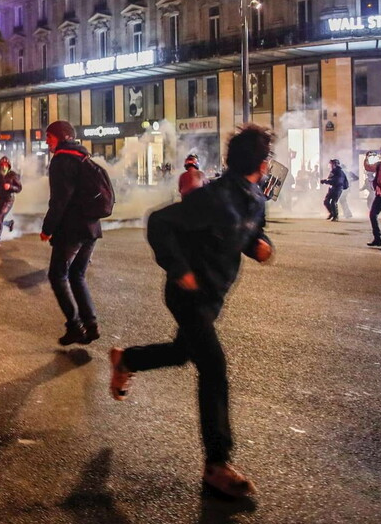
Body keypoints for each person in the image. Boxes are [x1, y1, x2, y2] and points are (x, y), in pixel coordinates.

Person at [109, 124, 275, 499]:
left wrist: (261, 246)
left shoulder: (255, 198)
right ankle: (217, 464)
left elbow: (248, 234)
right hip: (188, 295)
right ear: (262, 164)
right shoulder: (214, 197)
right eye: (266, 160)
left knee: (184, 353)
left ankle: (126, 359)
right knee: (213, 366)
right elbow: (160, 222)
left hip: (214, 295)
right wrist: (178, 268)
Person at [40, 120, 102, 346]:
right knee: (77, 275)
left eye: (49, 136)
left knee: (57, 276)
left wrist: (47, 229)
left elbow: (59, 201)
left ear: (61, 136)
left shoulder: (61, 160)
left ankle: (75, 326)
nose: (47, 141)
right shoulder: (83, 156)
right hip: (91, 228)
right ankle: (91, 324)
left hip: (72, 229)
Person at [0, 157, 22, 247]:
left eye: (5, 165)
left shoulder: (13, 175)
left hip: (8, 200)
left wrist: (10, 187)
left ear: (9, 166)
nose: (3, 167)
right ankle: (9, 223)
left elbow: (19, 188)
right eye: (2, 165)